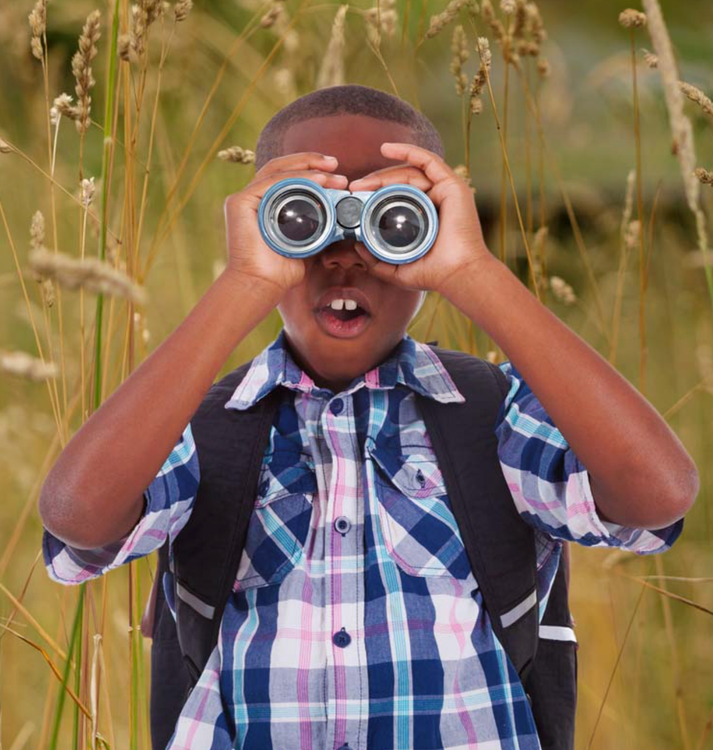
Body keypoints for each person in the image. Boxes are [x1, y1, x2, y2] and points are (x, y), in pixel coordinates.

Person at [39, 84, 697, 750]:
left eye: (393, 221)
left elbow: (656, 493)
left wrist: (474, 271)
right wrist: (245, 281)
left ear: (435, 229)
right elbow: (78, 513)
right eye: (303, 219)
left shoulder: (492, 418)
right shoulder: (206, 428)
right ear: (259, 222)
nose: (344, 254)